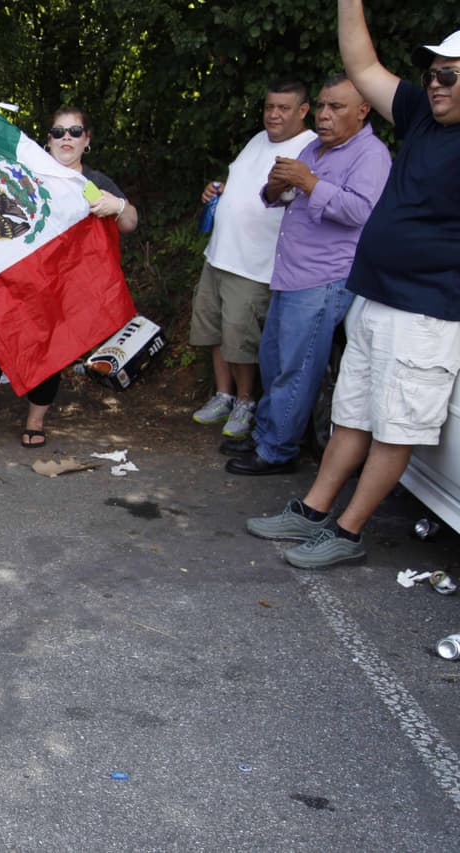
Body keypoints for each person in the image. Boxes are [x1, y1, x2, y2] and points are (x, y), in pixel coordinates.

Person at [246, 8, 460, 569]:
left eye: (449, 75)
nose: (434, 84)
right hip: (373, 295)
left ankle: (347, 529)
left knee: (396, 425)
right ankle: (315, 510)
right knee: (354, 414)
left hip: (428, 311)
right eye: (432, 74)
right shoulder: (421, 118)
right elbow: (362, 63)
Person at [224, 73, 390, 476]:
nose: (325, 114)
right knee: (275, 361)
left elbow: (362, 213)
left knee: (296, 370)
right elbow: (284, 199)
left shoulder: (371, 155)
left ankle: (278, 450)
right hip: (290, 274)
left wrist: (309, 182)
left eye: (336, 107)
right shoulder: (316, 148)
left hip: (324, 279)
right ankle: (267, 435)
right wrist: (275, 188)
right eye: (321, 105)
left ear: (363, 110)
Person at [0, 99, 138, 449]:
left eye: (75, 132)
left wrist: (119, 206)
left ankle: (35, 420)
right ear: (47, 139)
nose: (67, 138)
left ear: (87, 139)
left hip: (59, 290)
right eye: (58, 132)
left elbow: (129, 223)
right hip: (12, 282)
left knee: (52, 348)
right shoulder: (26, 169)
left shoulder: (92, 182)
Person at [189, 80, 316, 440]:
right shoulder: (257, 140)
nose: (274, 114)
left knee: (241, 339)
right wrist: (219, 191)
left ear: (303, 110)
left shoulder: (308, 149)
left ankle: (246, 402)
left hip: (255, 262)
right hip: (219, 254)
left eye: (284, 108)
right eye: (269, 107)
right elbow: (246, 186)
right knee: (214, 330)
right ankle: (223, 395)